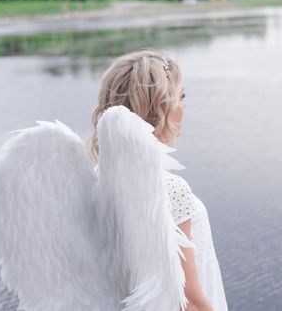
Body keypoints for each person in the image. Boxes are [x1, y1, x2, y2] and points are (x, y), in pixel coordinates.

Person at [87, 50, 228, 311]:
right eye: (180, 97)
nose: (184, 107)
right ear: (159, 109)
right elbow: (190, 302)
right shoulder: (169, 189)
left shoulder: (95, 181)